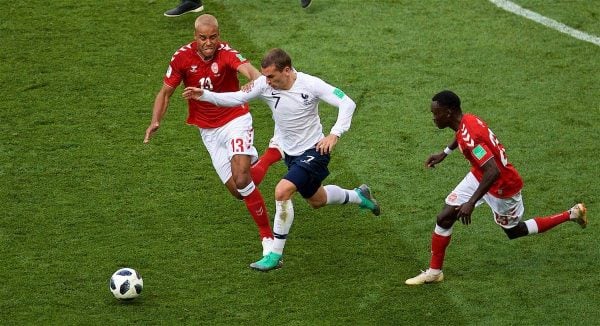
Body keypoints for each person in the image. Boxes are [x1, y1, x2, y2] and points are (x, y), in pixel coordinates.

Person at [182, 48, 381, 272]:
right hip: (292, 155)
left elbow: (347, 103)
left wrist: (334, 134)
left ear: (287, 71)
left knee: (281, 191)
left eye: (271, 77)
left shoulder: (310, 84)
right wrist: (205, 95)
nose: (265, 81)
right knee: (318, 199)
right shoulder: (266, 85)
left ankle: (274, 255)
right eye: (265, 76)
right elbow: (237, 97)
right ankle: (359, 195)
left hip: (315, 151)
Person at [405, 90, 588, 285]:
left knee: (514, 231)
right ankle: (434, 273)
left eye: (436, 113)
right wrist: (445, 153)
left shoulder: (471, 139)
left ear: (449, 112)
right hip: (479, 174)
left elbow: (493, 171)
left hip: (502, 186)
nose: (433, 118)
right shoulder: (468, 119)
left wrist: (471, 203)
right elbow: (461, 136)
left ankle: (571, 214)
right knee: (444, 217)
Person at [144, 14, 282, 259]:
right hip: (208, 131)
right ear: (194, 36)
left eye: (213, 37)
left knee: (242, 179)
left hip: (235, 121)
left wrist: (253, 81)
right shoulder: (181, 57)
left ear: (219, 35)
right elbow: (165, 93)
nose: (209, 43)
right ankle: (273, 154)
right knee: (240, 192)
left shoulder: (227, 52)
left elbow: (249, 71)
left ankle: (268, 239)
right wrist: (156, 120)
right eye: (203, 38)